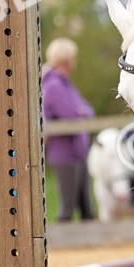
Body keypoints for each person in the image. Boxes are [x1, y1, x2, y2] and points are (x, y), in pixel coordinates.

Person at [42, 37, 96, 222]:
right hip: (64, 153)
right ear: (66, 59)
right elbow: (73, 114)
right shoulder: (54, 86)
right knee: (68, 207)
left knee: (86, 207)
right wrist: (82, 111)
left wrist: (82, 110)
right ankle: (60, 246)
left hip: (76, 151)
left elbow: (86, 110)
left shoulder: (64, 83)